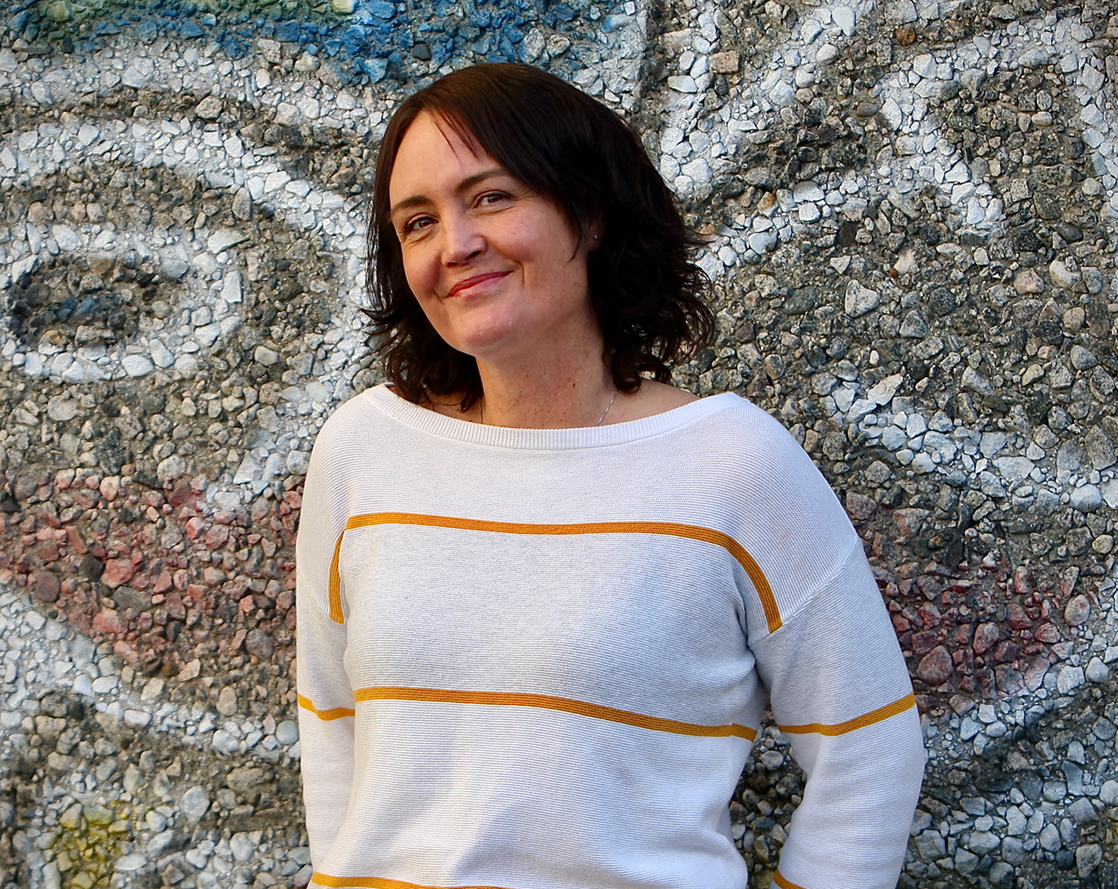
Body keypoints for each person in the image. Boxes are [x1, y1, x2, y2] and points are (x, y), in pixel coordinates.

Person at [295, 62, 925, 889]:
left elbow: (869, 746)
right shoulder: (362, 448)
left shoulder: (731, 462)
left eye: (491, 197)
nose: (454, 244)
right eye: (417, 222)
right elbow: (330, 720)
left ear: (589, 214)